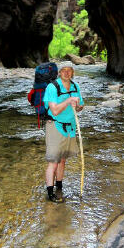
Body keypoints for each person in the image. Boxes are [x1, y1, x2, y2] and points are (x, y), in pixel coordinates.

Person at [43, 61, 84, 202]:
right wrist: (68, 101)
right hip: (55, 126)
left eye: (69, 70)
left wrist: (77, 105)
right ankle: (50, 193)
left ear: (73, 72)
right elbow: (54, 110)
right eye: (64, 70)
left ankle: (59, 187)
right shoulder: (52, 87)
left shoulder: (75, 86)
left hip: (70, 127)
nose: (67, 73)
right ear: (59, 72)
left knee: (62, 160)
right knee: (53, 161)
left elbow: (80, 107)